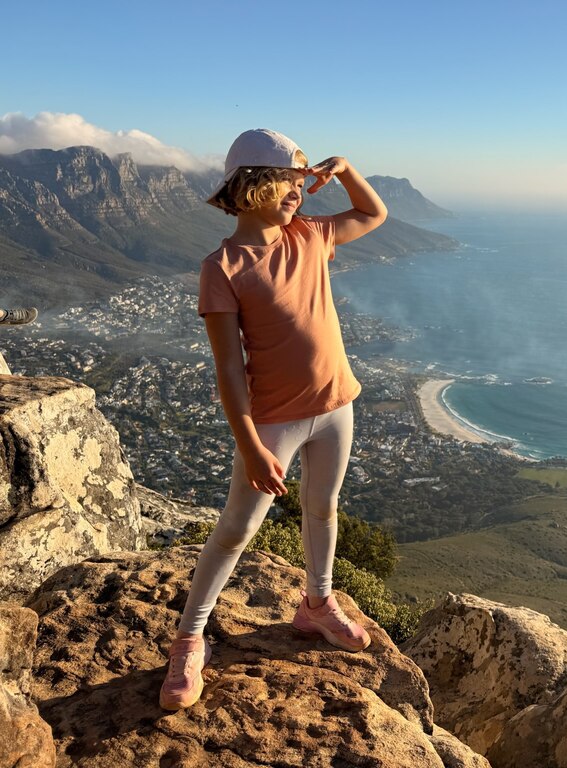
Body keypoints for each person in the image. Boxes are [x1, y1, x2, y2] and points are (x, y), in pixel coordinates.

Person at [159, 129, 387, 711]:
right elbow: (229, 370)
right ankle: (189, 639)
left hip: (337, 405)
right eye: (288, 179)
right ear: (251, 183)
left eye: (302, 180)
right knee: (237, 530)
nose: (299, 190)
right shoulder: (224, 266)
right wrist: (251, 444)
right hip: (273, 423)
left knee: (324, 507)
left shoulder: (310, 236)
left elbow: (373, 212)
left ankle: (317, 603)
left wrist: (347, 168)